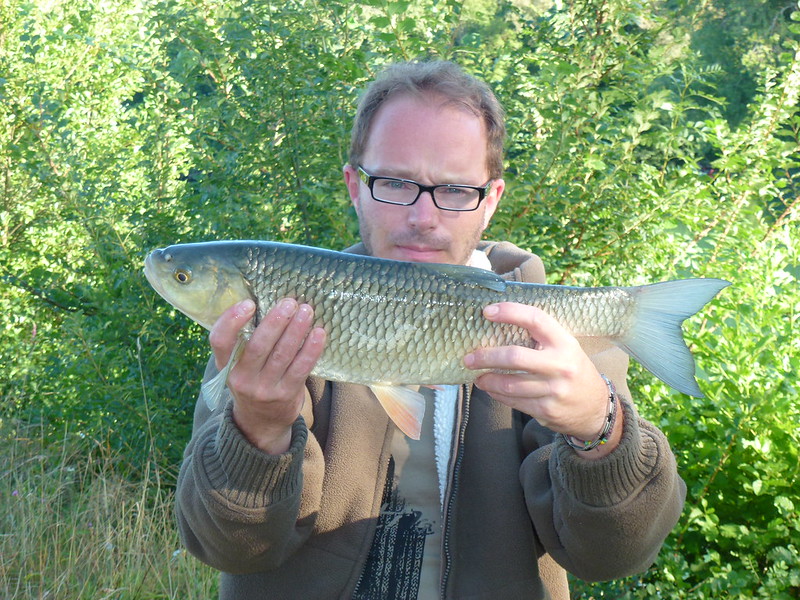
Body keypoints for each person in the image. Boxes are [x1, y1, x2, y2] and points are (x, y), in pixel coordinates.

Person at [175, 60, 686, 600]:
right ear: (355, 186)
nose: (423, 216)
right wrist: (258, 431)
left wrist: (599, 428)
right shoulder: (276, 325)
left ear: (489, 202)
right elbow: (226, 548)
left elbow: (617, 557)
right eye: (396, 182)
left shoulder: (552, 334)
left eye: (456, 190)